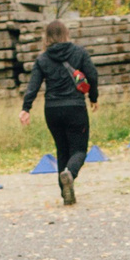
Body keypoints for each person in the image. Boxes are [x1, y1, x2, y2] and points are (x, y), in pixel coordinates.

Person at [20, 18, 98, 206]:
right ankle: (70, 173)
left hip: (52, 110)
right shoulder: (79, 52)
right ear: (66, 34)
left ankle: (66, 194)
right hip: (75, 108)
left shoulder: (42, 59)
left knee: (62, 150)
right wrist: (93, 97)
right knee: (79, 150)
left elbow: (33, 85)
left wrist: (26, 108)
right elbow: (93, 75)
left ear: (46, 37)